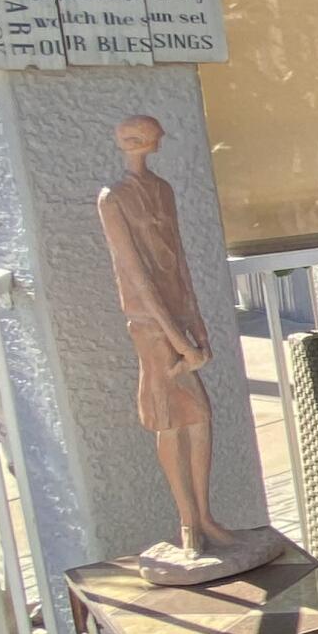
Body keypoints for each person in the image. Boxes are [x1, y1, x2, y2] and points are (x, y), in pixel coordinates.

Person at [97, 114, 265, 576]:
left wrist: (199, 329)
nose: (136, 142)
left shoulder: (163, 190)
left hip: (179, 318)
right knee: (171, 418)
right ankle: (189, 522)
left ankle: (204, 516)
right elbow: (134, 272)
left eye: (143, 135)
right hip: (149, 324)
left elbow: (179, 265)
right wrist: (177, 339)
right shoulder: (114, 198)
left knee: (200, 417)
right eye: (129, 135)